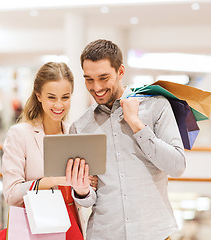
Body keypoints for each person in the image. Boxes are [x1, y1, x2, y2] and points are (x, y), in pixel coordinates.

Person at [66, 39, 187, 240]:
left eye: (104, 78)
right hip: (104, 234)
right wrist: (81, 190)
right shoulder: (81, 127)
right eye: (89, 79)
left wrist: (136, 124)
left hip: (153, 233)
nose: (96, 87)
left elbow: (177, 166)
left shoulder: (156, 106)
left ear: (120, 71)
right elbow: (87, 201)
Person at [1, 62, 84, 240]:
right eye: (52, 97)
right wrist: (50, 181)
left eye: (65, 97)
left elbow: (83, 194)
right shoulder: (20, 134)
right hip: (37, 227)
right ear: (39, 96)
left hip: (72, 225)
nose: (59, 105)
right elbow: (11, 195)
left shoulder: (74, 133)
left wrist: (84, 184)